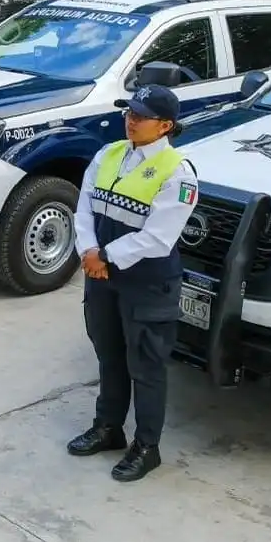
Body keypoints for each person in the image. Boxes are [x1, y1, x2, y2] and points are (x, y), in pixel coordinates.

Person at [67, 85, 199, 483]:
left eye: (141, 116)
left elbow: (159, 236)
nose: (131, 120)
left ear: (165, 126)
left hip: (145, 282)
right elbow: (84, 207)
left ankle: (147, 446)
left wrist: (104, 257)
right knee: (109, 355)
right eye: (129, 112)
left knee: (146, 366)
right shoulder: (108, 154)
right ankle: (108, 427)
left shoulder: (179, 171)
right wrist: (89, 252)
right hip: (101, 276)